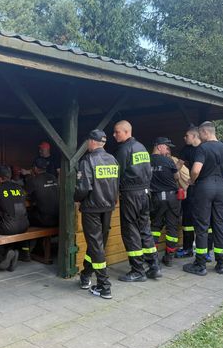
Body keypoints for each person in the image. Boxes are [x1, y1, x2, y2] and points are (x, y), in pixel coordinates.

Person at [183, 121, 223, 276]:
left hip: (204, 187)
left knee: (202, 226)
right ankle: (221, 264)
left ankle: (200, 264)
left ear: (205, 132)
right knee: (219, 225)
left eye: (200, 134)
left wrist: (192, 180)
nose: (200, 137)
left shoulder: (202, 148)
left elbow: (196, 170)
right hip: (220, 188)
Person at [113, 120, 161, 282]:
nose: (114, 135)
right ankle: (154, 266)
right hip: (145, 193)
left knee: (130, 232)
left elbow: (116, 175)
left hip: (131, 194)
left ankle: (137, 270)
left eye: (117, 132)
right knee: (145, 229)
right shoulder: (142, 148)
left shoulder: (124, 150)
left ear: (127, 132)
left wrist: (113, 194)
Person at [75, 129, 119, 299]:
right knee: (97, 245)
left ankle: (104, 286)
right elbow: (116, 184)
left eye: (88, 141)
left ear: (92, 141)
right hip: (108, 208)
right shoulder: (113, 159)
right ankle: (86, 275)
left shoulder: (87, 160)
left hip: (92, 208)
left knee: (96, 245)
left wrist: (76, 199)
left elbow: (83, 188)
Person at [0, 165, 29, 271]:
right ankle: (11, 253)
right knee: (2, 229)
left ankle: (4, 254)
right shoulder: (19, 187)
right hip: (24, 225)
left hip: (9, 227)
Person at [150, 137, 181, 267]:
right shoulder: (168, 161)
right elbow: (177, 177)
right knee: (172, 227)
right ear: (159, 146)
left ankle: (152, 258)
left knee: (155, 227)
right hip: (171, 198)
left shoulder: (147, 161)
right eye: (167, 147)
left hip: (156, 198)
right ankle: (169, 258)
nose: (168, 151)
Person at [175, 126, 201, 259]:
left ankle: (206, 251)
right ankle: (187, 249)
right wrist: (171, 175)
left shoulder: (204, 148)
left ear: (195, 136)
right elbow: (178, 165)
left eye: (187, 136)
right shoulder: (186, 149)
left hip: (203, 187)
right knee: (187, 217)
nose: (184, 138)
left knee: (204, 219)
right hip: (192, 187)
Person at [25, 157, 59, 227]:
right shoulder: (53, 177)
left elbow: (23, 195)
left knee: (24, 216)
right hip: (58, 219)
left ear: (35, 168)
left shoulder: (33, 180)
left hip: (44, 221)